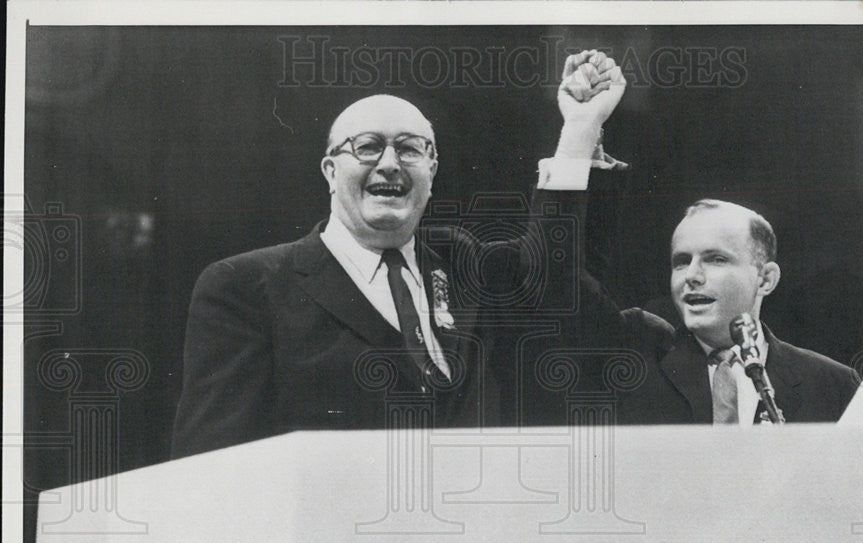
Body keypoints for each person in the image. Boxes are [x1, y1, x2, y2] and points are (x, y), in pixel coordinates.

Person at [171, 54, 627, 458]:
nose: (389, 163)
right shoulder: (245, 287)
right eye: (367, 146)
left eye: (410, 149)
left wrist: (580, 130)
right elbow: (211, 465)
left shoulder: (462, 261)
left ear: (432, 171)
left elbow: (551, 280)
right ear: (331, 171)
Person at [585, 199, 861, 424]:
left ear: (765, 279)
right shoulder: (634, 364)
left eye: (716, 259)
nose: (691, 276)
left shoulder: (832, 384)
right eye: (681, 262)